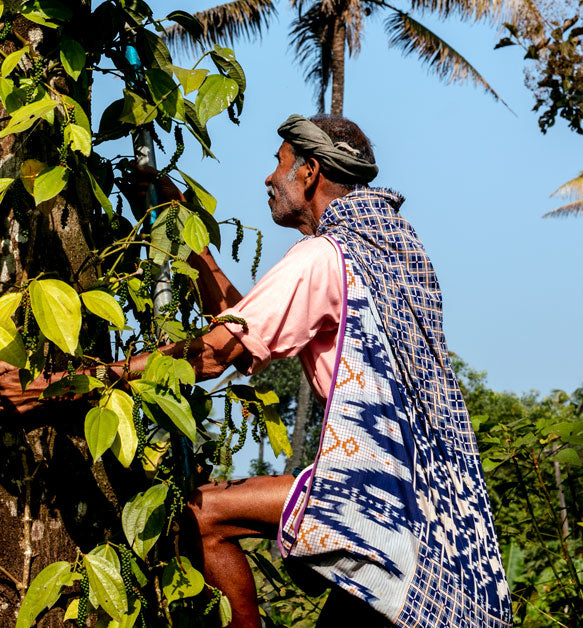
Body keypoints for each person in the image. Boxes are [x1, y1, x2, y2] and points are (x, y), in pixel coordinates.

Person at [0, 113, 513, 628]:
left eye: (280, 162)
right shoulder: (391, 249)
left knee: (203, 517)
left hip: (376, 498)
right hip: (430, 506)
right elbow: (248, 331)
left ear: (309, 172)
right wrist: (191, 241)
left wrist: (54, 390)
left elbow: (217, 351)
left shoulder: (323, 257)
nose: (269, 177)